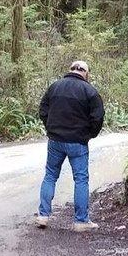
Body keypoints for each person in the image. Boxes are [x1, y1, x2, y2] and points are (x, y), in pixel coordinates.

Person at [35, 60, 105, 232]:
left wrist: (50, 127)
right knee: (81, 179)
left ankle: (43, 215)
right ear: (86, 73)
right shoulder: (90, 91)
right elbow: (98, 117)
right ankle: (81, 221)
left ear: (71, 70)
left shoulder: (55, 87)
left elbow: (43, 109)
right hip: (78, 142)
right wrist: (89, 134)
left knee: (50, 175)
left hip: (55, 140)